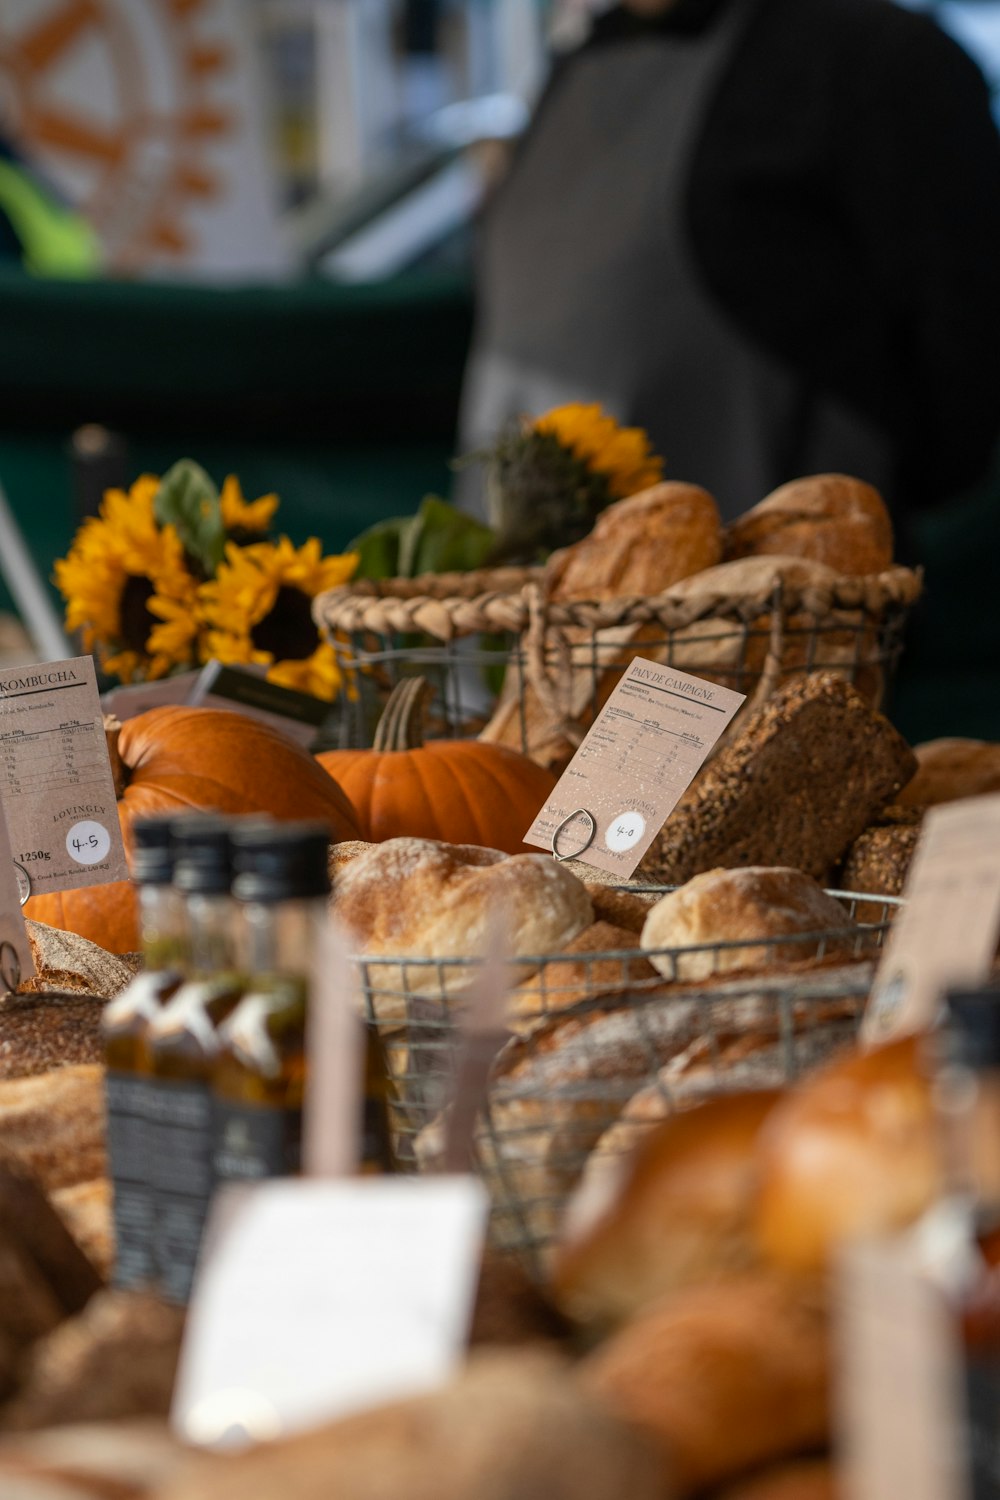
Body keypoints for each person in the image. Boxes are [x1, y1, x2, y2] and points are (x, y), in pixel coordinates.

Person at [458, 0, 1000, 534]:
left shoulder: (876, 60)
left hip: (777, 601)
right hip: (523, 596)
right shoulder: (580, 60)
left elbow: (963, 357)